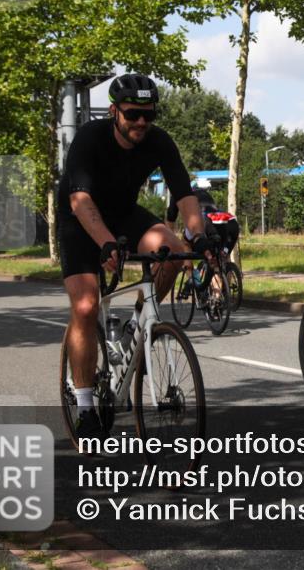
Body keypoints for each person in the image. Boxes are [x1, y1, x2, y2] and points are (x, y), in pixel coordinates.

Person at [57, 73, 215, 440]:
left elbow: (184, 193)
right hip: (81, 219)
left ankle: (138, 323)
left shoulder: (159, 141)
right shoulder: (90, 138)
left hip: (125, 212)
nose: (141, 122)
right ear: (114, 111)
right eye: (132, 114)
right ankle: (84, 407)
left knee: (174, 250)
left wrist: (201, 236)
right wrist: (107, 243)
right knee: (84, 307)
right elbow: (80, 200)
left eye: (149, 114)